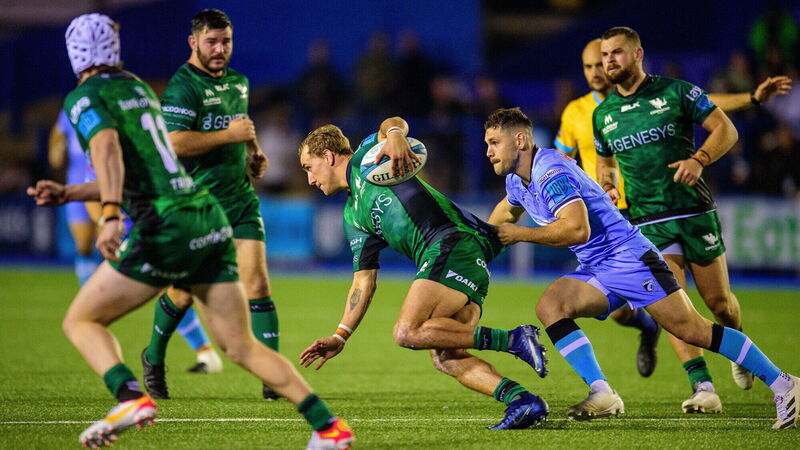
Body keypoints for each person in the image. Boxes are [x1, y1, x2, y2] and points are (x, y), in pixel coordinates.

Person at [26, 13, 353, 449]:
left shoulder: (84, 97)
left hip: (165, 223)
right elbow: (147, 164)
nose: (220, 49)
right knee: (239, 345)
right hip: (205, 214)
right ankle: (328, 428)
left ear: (74, 53)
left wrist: (109, 215)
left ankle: (130, 397)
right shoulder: (140, 89)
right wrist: (69, 193)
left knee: (81, 320)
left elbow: (107, 150)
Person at [484, 107, 798, 429]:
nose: (489, 152)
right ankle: (602, 393)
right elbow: (506, 212)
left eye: (494, 143)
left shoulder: (550, 173)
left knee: (693, 330)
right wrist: (481, 246)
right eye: (487, 144)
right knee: (552, 305)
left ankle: (785, 384)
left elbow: (577, 230)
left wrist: (519, 235)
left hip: (630, 258)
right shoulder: (517, 180)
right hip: (598, 264)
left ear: (520, 141)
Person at [556, 38, 792, 410]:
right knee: (671, 306)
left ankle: (740, 348)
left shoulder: (673, 91)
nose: (605, 64)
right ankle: (702, 386)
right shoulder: (594, 114)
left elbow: (721, 121)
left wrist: (700, 158)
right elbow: (601, 163)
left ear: (638, 54)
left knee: (720, 304)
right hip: (644, 221)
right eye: (599, 59)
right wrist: (607, 186)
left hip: (693, 211)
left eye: (613, 54)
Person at [297, 118, 549, 430]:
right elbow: (363, 282)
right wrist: (340, 336)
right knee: (446, 356)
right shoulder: (352, 216)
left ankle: (512, 339)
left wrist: (394, 135)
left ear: (328, 156)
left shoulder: (367, 157)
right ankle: (523, 401)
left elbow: (392, 123)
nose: (309, 179)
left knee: (407, 331)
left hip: (451, 242)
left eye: (309, 167)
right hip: (459, 259)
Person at [140, 9, 280, 400]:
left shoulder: (238, 82)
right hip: (199, 204)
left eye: (226, 42)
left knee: (257, 283)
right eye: (212, 42)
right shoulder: (182, 87)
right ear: (193, 42)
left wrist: (253, 150)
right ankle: (153, 357)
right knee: (183, 293)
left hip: (240, 198)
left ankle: (273, 376)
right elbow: (173, 143)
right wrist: (230, 136)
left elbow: (239, 123)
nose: (220, 49)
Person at [48, 110, 102, 285]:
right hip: (76, 183)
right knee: (83, 243)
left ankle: (108, 286)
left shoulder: (107, 104)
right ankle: (87, 286)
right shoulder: (72, 108)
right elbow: (57, 134)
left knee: (106, 239)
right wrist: (56, 151)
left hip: (101, 182)